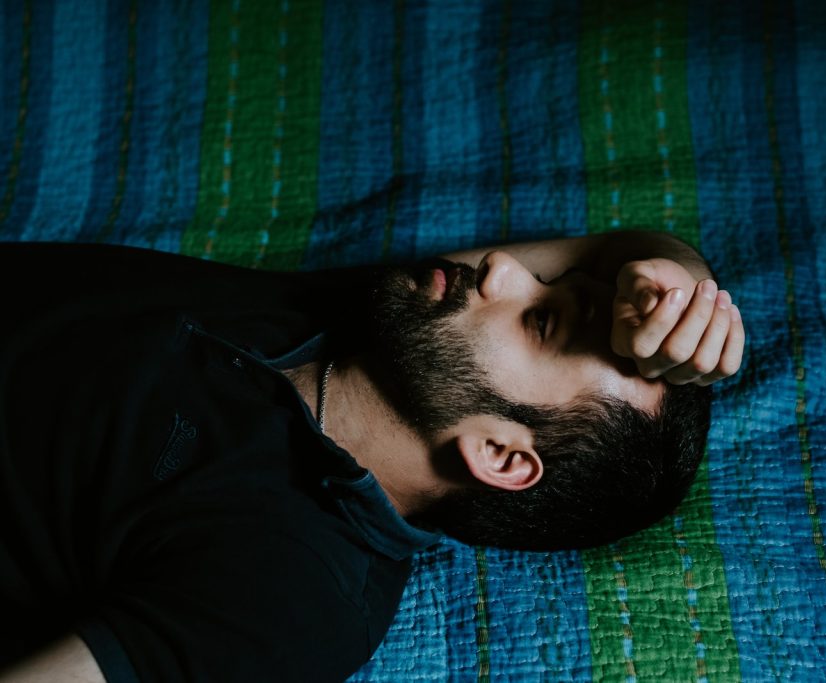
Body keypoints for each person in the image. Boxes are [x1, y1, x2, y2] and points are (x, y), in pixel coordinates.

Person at [0, 230, 744, 682]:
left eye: (541, 320)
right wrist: (684, 290)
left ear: (497, 453)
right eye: (548, 282)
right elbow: (621, 249)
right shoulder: (386, 322)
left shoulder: (293, 596)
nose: (503, 268)